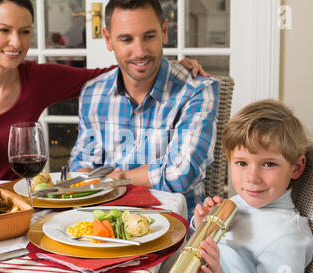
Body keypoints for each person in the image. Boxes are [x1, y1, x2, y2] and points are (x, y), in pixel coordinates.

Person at [0, 0, 205, 181]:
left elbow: (110, 73)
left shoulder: (37, 78)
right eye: (4, 30)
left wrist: (166, 63)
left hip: (19, 209)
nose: (16, 43)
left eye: (25, 31)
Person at [69, 0, 219, 220]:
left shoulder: (197, 90)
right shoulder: (93, 92)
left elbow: (182, 173)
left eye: (149, 37)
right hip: (102, 228)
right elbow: (80, 165)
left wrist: (118, 177)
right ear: (109, 39)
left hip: (173, 230)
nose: (140, 52)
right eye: (126, 39)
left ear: (164, 32)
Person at [192, 99, 313, 273]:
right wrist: (203, 228)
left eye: (268, 164)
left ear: (296, 167)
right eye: (241, 162)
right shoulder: (242, 202)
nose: (252, 177)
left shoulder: (285, 238)